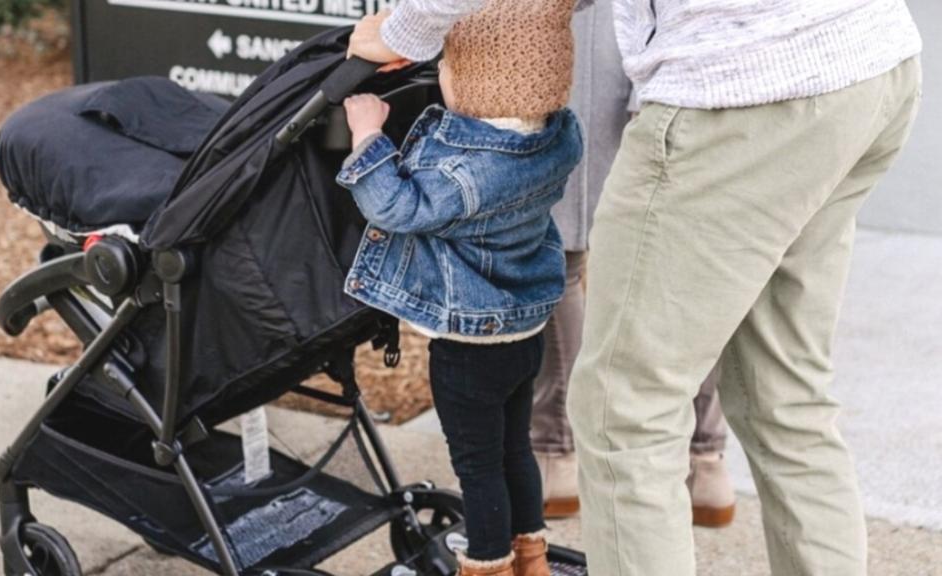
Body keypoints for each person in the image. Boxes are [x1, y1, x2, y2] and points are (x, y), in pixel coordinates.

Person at [349, 1, 923, 574]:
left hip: (743, 86)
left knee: (623, 411)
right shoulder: (555, 143)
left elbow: (397, 204)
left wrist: (406, 30)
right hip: (866, 56)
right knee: (787, 396)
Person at [338, 1, 582, 573]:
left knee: (477, 467)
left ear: (476, 84)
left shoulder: (465, 170)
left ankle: (489, 564)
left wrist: (367, 135)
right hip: (525, 334)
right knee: (514, 449)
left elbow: (396, 206)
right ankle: (532, 556)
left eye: (447, 67)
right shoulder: (556, 139)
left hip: (470, 350)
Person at [532, 0, 735, 527]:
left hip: (597, 30)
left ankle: (557, 454)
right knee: (689, 264)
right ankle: (705, 461)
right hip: (693, 36)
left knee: (563, 253)